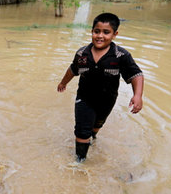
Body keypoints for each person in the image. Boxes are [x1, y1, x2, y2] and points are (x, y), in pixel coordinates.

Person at [57, 12, 144, 162]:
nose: (100, 36)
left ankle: (93, 135)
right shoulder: (82, 53)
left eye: (106, 32)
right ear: (91, 31)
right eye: (97, 31)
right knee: (82, 131)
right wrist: (63, 82)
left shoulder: (120, 56)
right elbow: (73, 69)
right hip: (84, 99)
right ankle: (80, 162)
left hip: (107, 100)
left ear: (115, 34)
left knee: (96, 126)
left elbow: (136, 75)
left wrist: (137, 96)